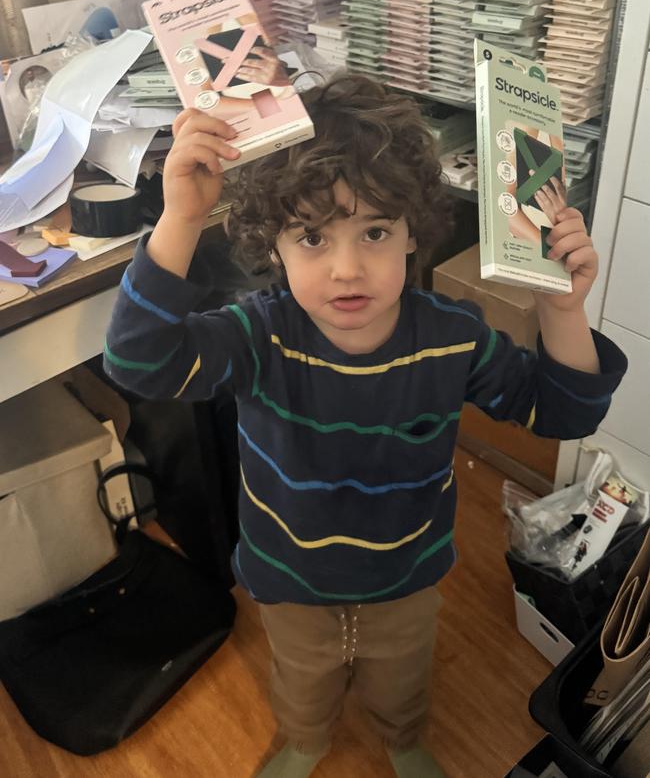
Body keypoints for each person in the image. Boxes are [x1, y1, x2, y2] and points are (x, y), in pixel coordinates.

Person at [104, 75, 627, 778]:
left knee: (401, 674)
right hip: (289, 572)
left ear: (413, 230)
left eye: (375, 231)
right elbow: (139, 362)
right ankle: (305, 736)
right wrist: (181, 219)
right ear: (275, 245)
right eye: (313, 236)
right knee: (302, 675)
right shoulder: (259, 334)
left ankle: (402, 735)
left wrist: (562, 312)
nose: (347, 269)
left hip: (405, 573)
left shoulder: (453, 335)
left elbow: (563, 413)